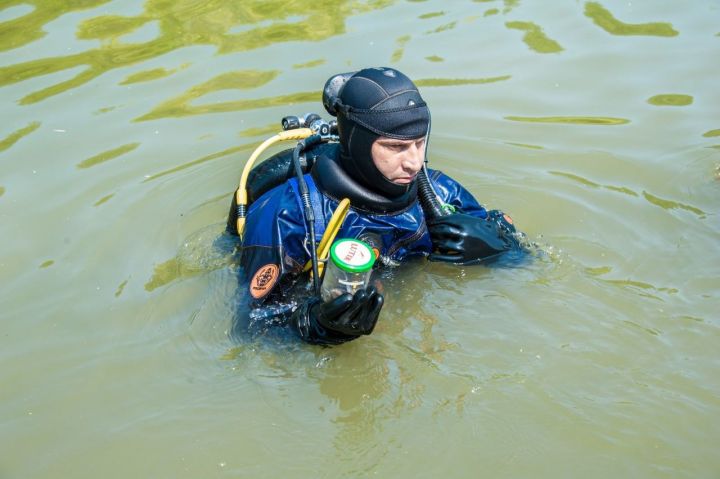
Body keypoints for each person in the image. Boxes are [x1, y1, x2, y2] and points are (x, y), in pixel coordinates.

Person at [227, 67, 522, 345]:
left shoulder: (441, 193)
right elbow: (252, 329)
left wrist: (495, 244)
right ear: (356, 142)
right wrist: (314, 326)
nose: (414, 162)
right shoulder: (288, 214)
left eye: (419, 143)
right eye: (396, 147)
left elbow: (527, 261)